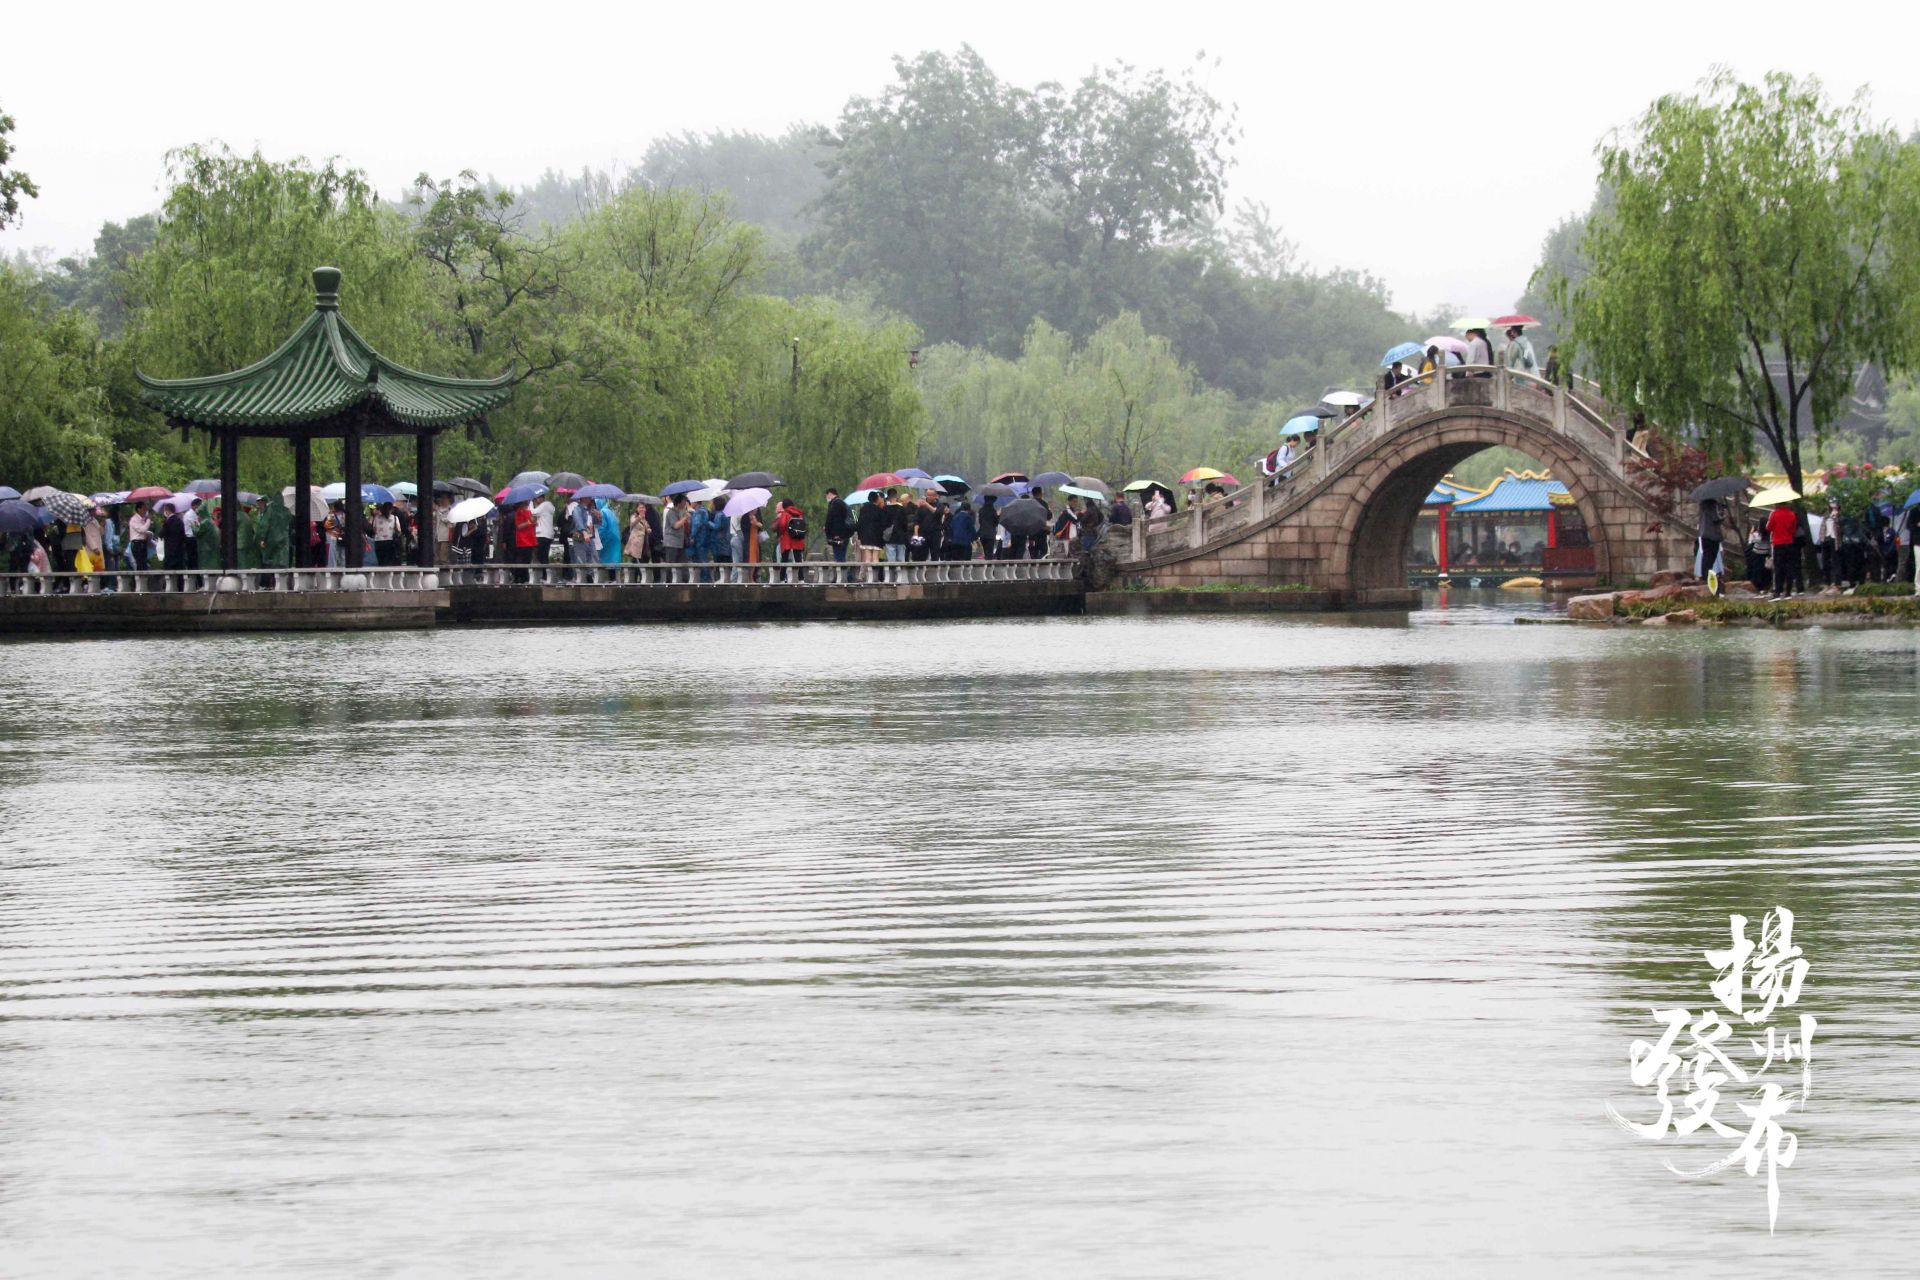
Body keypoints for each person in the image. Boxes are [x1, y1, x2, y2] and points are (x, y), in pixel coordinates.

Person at [1766, 501, 1800, 599]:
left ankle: (1778, 591)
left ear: (1778, 504)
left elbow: (1768, 527)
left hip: (1778, 543)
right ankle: (1788, 591)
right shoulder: (1792, 514)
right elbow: (1793, 529)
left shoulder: (1774, 514)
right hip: (1789, 543)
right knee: (1789, 567)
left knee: (1778, 568)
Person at [1696, 496, 1726, 583]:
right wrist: (1723, 516)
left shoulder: (1702, 506)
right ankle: (1707, 576)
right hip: (1712, 535)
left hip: (1703, 535)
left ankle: (1705, 575)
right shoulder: (1712, 505)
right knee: (1711, 556)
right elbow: (1715, 519)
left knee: (1706, 557)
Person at [855, 492, 886, 565]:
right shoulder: (879, 510)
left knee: (867, 558)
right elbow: (883, 524)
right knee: (875, 558)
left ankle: (869, 575)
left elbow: (860, 523)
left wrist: (860, 536)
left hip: (865, 537)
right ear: (877, 499)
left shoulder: (863, 509)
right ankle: (875, 574)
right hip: (876, 537)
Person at [775, 497, 808, 564]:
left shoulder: (785, 513)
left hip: (787, 538)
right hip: (798, 537)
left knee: (784, 559)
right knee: (798, 560)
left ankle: (783, 574)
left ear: (784, 506)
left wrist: (781, 534)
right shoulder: (799, 513)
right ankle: (800, 574)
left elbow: (782, 525)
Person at [823, 488, 851, 564]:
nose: (826, 498)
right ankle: (844, 574)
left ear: (830, 494)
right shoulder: (842, 503)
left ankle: (842, 575)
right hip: (845, 534)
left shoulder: (835, 504)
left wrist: (836, 534)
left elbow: (836, 520)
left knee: (839, 558)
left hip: (838, 535)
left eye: (826, 496)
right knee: (842, 556)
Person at [943, 496, 976, 560]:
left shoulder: (955, 517)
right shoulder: (968, 517)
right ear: (968, 509)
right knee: (966, 559)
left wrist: (950, 538)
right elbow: (971, 529)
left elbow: (951, 528)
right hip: (965, 542)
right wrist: (974, 538)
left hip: (955, 542)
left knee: (956, 559)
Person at [663, 495, 689, 573]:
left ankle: (684, 581)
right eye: (684, 502)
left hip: (679, 542)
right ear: (678, 503)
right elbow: (676, 525)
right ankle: (669, 582)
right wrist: (685, 518)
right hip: (671, 543)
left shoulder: (680, 513)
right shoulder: (671, 512)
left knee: (683, 563)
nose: (685, 504)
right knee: (670, 564)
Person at [370, 502, 402, 566]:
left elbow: (374, 529)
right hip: (390, 542)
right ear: (391, 509)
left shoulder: (376, 518)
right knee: (389, 561)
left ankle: (380, 575)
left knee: (381, 562)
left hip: (378, 542)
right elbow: (399, 530)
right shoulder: (395, 518)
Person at [884, 491, 911, 563]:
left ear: (888, 497)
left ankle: (891, 574)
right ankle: (901, 574)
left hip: (889, 537)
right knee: (901, 559)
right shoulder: (902, 509)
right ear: (896, 497)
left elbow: (883, 523)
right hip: (901, 537)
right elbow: (905, 524)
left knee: (891, 560)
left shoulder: (885, 509)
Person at [531, 492, 556, 567]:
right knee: (544, 556)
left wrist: (531, 503)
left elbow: (532, 512)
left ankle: (545, 575)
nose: (535, 500)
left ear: (541, 498)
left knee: (541, 556)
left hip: (542, 534)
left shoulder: (545, 505)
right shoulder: (547, 507)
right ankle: (545, 575)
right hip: (548, 535)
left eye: (536, 498)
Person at [128, 501, 153, 572]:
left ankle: (144, 580)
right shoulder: (134, 519)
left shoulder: (142, 519)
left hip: (143, 542)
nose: (145, 511)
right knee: (140, 563)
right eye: (144, 509)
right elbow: (142, 529)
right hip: (137, 543)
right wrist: (148, 520)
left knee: (144, 563)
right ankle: (138, 580)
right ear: (139, 509)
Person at [598, 499, 621, 567]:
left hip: (607, 540)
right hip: (615, 540)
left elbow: (602, 528)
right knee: (614, 562)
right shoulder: (610, 511)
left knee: (606, 563)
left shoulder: (602, 512)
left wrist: (598, 540)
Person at [977, 495, 1000, 561]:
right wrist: (998, 516)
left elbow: (980, 521)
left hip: (982, 533)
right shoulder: (993, 511)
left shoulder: (981, 510)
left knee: (985, 552)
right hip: (990, 534)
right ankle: (989, 569)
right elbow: (996, 522)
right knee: (989, 554)